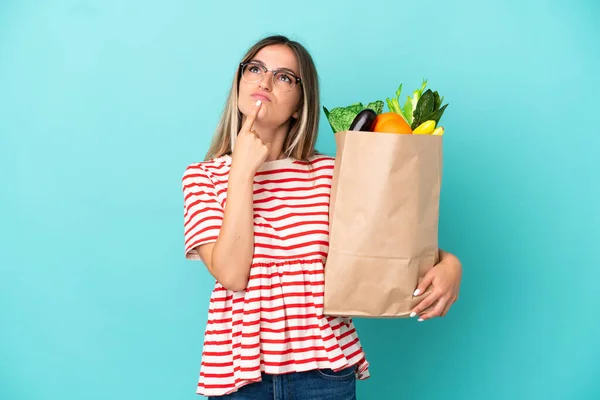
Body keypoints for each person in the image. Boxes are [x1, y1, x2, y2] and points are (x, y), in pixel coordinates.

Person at [181, 35, 463, 399]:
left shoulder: (333, 174)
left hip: (324, 372)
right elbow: (233, 274)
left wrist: (451, 264)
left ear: (301, 103)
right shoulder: (202, 178)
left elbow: (390, 245)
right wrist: (241, 173)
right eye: (255, 69)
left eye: (284, 77)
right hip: (240, 376)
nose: (265, 82)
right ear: (239, 84)